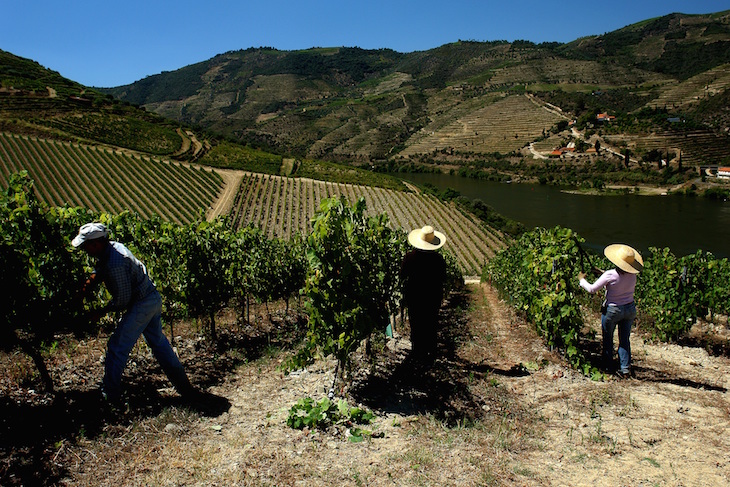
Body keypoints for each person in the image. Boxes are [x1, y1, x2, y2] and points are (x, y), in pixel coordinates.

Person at [72, 222, 197, 405]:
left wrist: (100, 312)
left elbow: (122, 299)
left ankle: (110, 397)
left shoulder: (115, 263)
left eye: (86, 246)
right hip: (152, 298)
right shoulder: (113, 247)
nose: (84, 250)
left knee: (117, 346)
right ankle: (185, 388)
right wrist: (85, 288)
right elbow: (100, 270)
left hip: (142, 305)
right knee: (159, 344)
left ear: (96, 244)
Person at [578, 244, 643, 378]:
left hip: (613, 310)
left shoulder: (609, 275)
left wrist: (581, 280)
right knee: (624, 339)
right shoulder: (633, 275)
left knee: (608, 339)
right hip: (629, 308)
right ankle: (625, 369)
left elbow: (592, 289)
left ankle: (608, 366)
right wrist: (601, 273)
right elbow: (618, 278)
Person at [400, 225, 448, 363]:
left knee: (416, 324)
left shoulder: (410, 257)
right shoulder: (439, 260)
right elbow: (443, 278)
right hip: (433, 297)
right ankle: (430, 354)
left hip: (414, 296)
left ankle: (417, 353)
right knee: (431, 323)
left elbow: (402, 275)